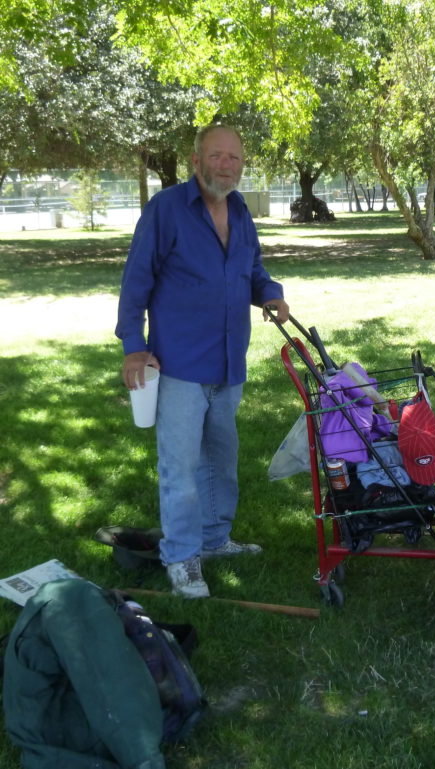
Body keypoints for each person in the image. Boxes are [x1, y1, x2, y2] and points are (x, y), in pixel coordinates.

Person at [116, 124, 289, 598]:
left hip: (228, 363)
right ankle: (181, 557)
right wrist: (134, 344)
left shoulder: (240, 210)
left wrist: (270, 294)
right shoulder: (166, 209)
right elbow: (136, 280)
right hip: (178, 364)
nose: (226, 165)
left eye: (234, 157)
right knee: (181, 468)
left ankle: (214, 540)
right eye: (217, 156)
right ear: (197, 161)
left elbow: (252, 269)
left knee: (220, 460)